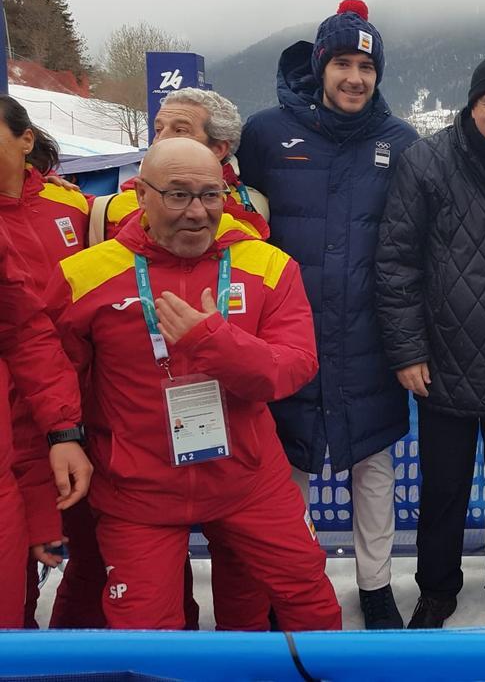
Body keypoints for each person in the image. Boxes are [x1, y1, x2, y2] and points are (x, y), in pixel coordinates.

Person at [42, 138, 340, 630]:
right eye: (178, 195)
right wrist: (63, 437)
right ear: (140, 196)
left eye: (211, 195)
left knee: (306, 596)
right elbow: (52, 374)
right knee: (145, 632)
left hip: (248, 478)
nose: (198, 212)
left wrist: (212, 341)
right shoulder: (84, 275)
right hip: (138, 489)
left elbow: (294, 367)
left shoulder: (267, 265)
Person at [237, 0, 418, 628]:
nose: (355, 78)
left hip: (370, 333)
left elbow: (414, 240)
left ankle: (376, 586)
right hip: (288, 332)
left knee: (373, 464)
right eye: (343, 62)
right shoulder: (265, 133)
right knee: (290, 466)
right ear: (321, 66)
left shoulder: (400, 142)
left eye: (367, 66)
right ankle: (298, 580)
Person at [375, 49, 485, 628]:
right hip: (443, 360)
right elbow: (396, 261)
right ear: (472, 107)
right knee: (444, 489)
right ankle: (438, 588)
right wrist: (407, 350)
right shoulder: (425, 162)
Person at [0, 96, 90, 626]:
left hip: (65, 407)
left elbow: (28, 333)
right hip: (30, 415)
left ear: (26, 139)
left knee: (56, 549)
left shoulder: (75, 207)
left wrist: (64, 428)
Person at [93, 87, 269, 243]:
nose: (161, 140)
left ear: (218, 148)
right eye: (159, 130)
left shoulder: (254, 204)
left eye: (180, 130)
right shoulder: (108, 205)